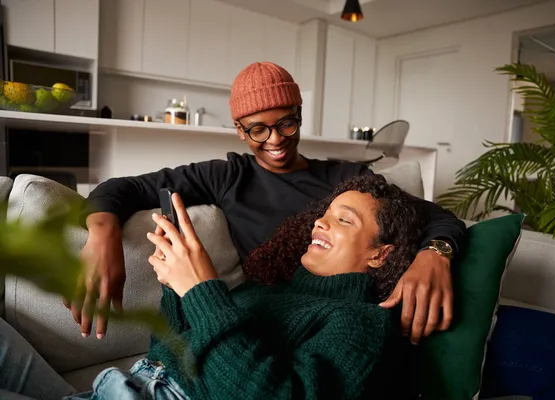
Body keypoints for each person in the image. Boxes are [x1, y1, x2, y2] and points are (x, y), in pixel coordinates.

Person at [71, 61, 466, 344]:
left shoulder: (347, 179)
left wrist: (435, 253)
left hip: (345, 317)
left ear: (299, 115)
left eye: (286, 123)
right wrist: (103, 232)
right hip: (276, 321)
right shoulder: (227, 176)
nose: (275, 140)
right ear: (239, 130)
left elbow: (434, 216)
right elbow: (122, 188)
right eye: (258, 129)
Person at [1, 175, 422, 399]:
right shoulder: (268, 291)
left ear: (380, 254)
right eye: (324, 214)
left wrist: (202, 290)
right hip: (123, 384)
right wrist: (176, 287)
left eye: (344, 220)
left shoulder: (364, 324)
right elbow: (167, 350)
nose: (319, 222)